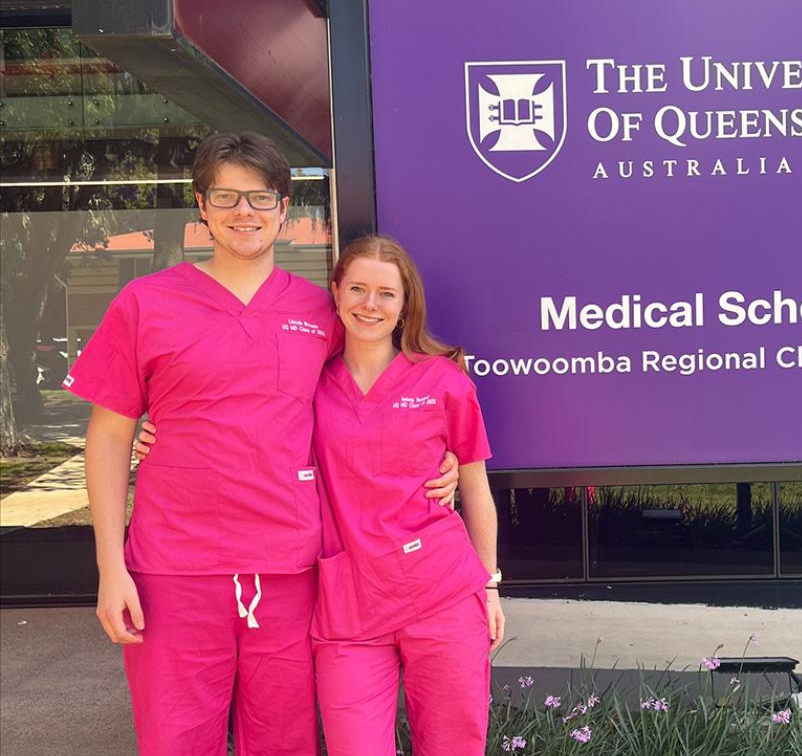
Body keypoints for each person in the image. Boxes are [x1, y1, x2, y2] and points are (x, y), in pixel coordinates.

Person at [66, 132, 458, 756]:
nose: (243, 212)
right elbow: (109, 437)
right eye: (226, 196)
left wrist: (446, 459)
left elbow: (379, 396)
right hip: (174, 567)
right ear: (201, 204)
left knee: (284, 741)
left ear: (284, 210)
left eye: (260, 197)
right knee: (174, 739)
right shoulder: (147, 303)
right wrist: (111, 569)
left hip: (289, 569)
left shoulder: (322, 313)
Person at [310, 235, 504, 756]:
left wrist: (489, 585)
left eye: (385, 293)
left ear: (404, 305)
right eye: (357, 289)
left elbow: (475, 486)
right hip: (349, 603)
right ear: (336, 293)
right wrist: (159, 432)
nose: (369, 304)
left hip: (441, 592)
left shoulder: (444, 381)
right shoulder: (308, 382)